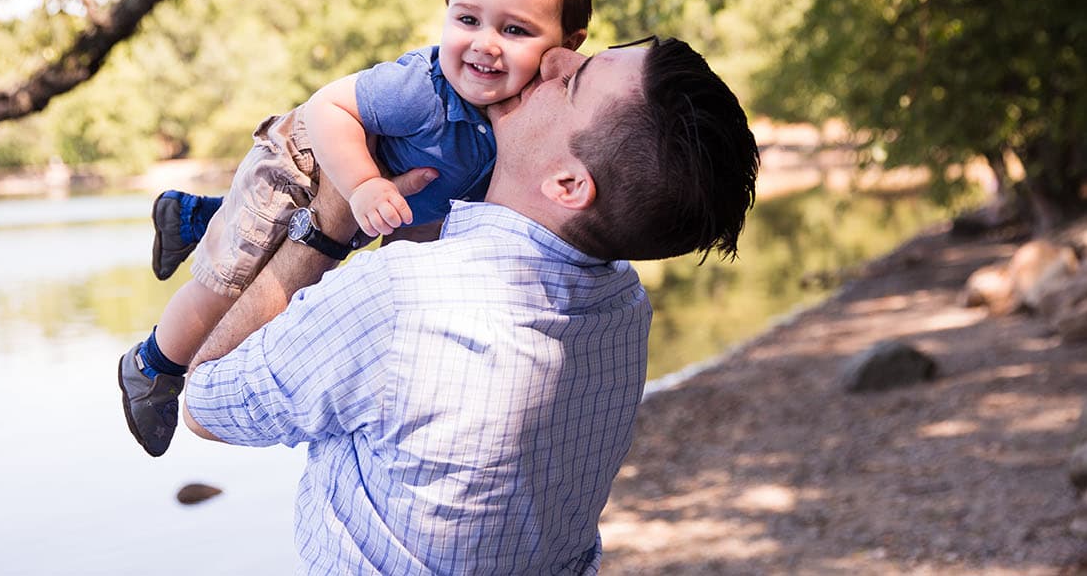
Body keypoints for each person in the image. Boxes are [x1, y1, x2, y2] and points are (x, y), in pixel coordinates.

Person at [182, 36, 759, 575]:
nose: (554, 57)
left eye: (573, 81)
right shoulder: (622, 303)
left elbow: (205, 403)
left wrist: (327, 228)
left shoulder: (400, 300)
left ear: (567, 185)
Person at [118, 0, 592, 457]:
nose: (484, 42)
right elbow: (328, 107)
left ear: (567, 46)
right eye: (467, 19)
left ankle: (194, 219)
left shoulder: (529, 115)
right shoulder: (422, 91)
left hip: (358, 197)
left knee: (268, 237)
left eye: (515, 29)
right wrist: (363, 183)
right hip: (304, 160)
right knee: (230, 279)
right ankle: (153, 365)